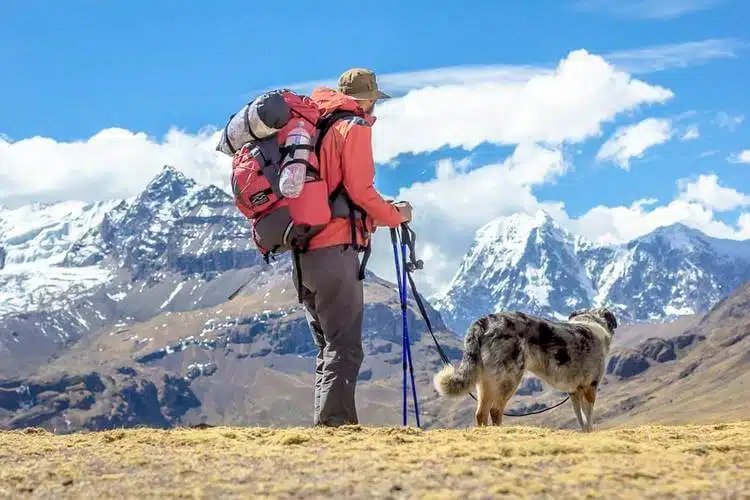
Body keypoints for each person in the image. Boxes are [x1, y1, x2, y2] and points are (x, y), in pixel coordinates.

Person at [293, 68, 412, 427]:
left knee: (328, 345)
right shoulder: (353, 128)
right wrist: (395, 215)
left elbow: (337, 189)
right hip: (335, 248)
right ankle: (337, 426)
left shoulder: (315, 128)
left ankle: (328, 422)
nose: (375, 108)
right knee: (345, 345)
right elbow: (359, 190)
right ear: (366, 99)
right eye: (374, 100)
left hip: (303, 251)